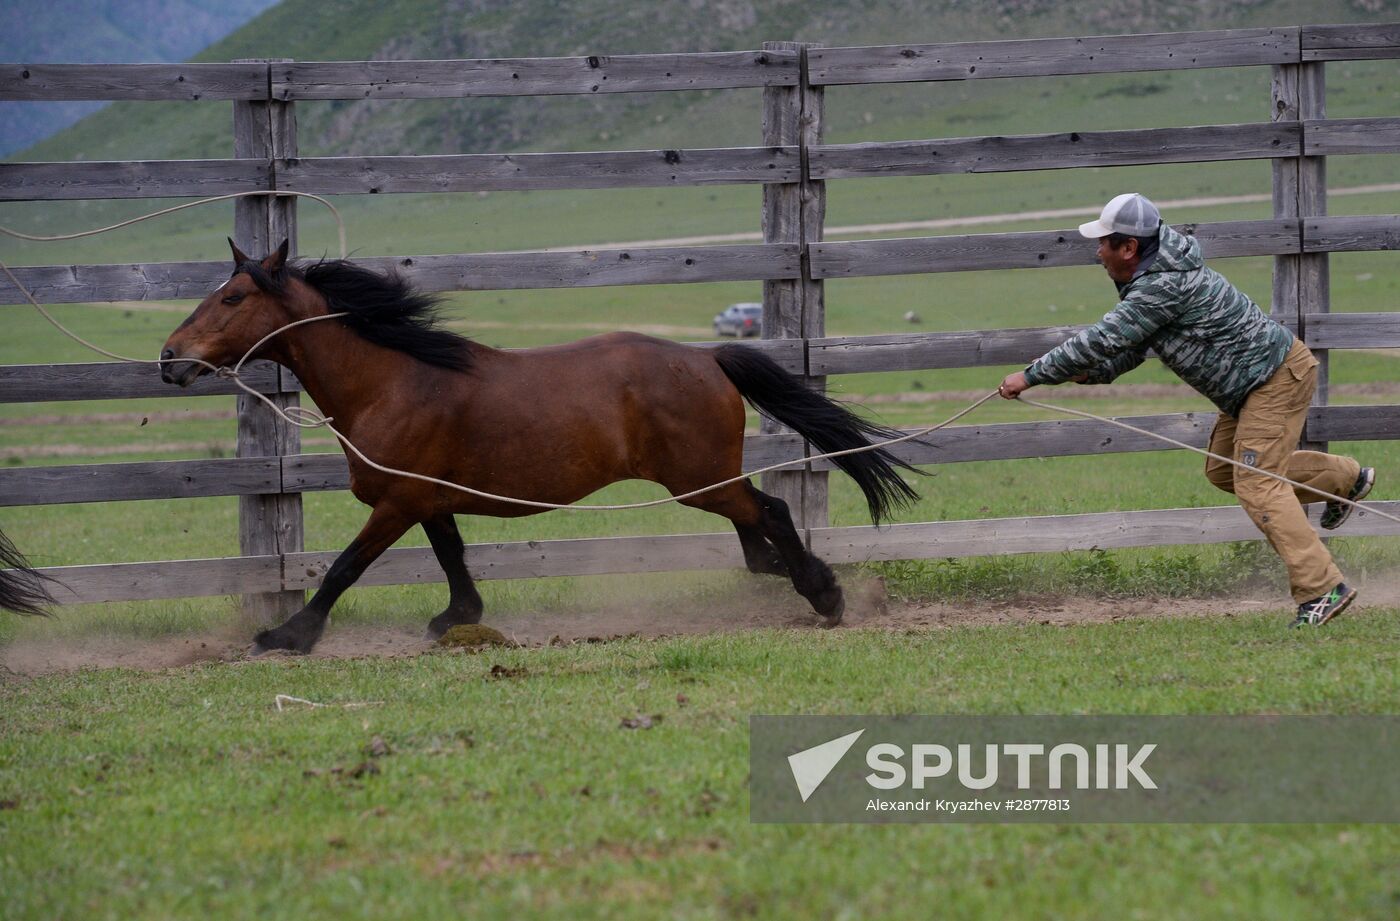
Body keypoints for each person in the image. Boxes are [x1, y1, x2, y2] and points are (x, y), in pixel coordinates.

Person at [998, 192, 1375, 628]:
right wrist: (1087, 375)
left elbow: (1102, 339)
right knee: (1222, 472)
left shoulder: (1161, 286)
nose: (1097, 251)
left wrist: (1031, 375)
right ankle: (1345, 478)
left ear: (1128, 248)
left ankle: (1322, 588)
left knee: (1256, 483)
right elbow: (1129, 349)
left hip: (1273, 378)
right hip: (1251, 386)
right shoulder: (1153, 280)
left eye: (1103, 242)